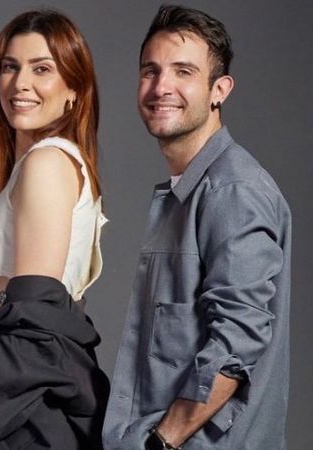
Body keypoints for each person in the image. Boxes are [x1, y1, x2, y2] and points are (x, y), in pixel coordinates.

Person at [103, 5, 292, 450]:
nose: (161, 87)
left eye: (183, 71)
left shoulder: (233, 190)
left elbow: (238, 338)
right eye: (150, 71)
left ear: (218, 90)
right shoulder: (190, 190)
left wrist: (163, 441)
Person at [0, 9, 109, 448]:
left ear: (74, 90)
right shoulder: (43, 164)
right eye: (10, 66)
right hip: (7, 381)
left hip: (13, 392)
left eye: (42, 68)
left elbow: (35, 315)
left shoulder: (47, 162)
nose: (20, 83)